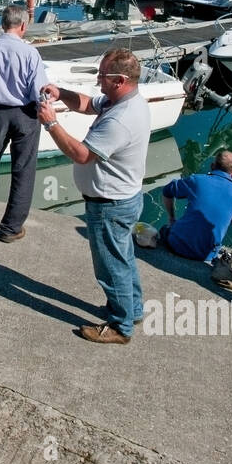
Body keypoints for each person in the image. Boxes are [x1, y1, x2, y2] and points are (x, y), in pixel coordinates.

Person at [38, 47, 150, 344]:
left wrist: (51, 123)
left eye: (103, 76)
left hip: (109, 205)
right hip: (123, 199)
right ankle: (132, 309)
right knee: (122, 259)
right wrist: (60, 92)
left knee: (110, 267)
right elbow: (88, 104)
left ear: (120, 80)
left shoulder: (120, 120)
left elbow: (82, 154)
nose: (98, 81)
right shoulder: (124, 101)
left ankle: (120, 326)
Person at [0, 4, 58, 242]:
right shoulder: (30, 53)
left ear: (2, 23)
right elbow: (39, 90)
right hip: (25, 114)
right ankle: (11, 226)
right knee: (23, 169)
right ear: (24, 26)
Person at [160, 149, 232, 265]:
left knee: (164, 230)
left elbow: (167, 191)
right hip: (205, 255)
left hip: (176, 245)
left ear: (212, 166)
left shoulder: (196, 180)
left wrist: (172, 218)